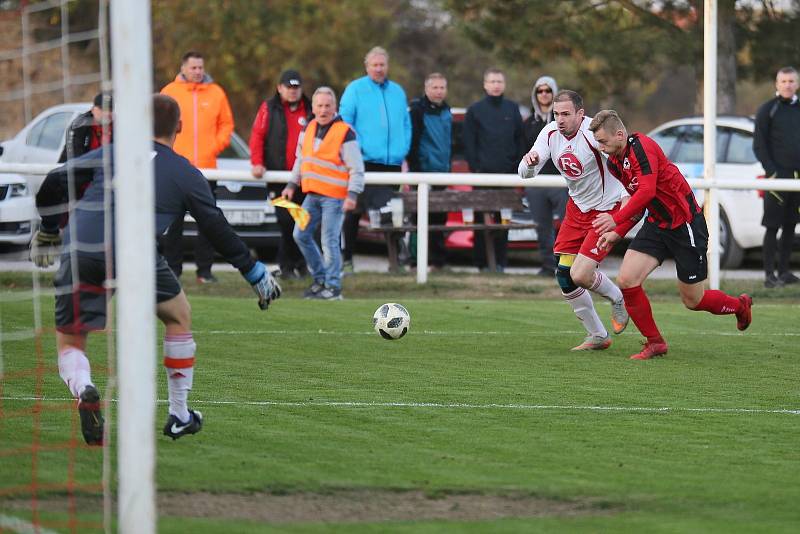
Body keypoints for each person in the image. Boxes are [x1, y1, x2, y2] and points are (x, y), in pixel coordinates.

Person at [30, 94, 280, 445]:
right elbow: (215, 226)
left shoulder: (113, 152)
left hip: (81, 248)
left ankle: (85, 387)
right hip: (134, 254)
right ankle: (179, 414)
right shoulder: (184, 171)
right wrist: (254, 272)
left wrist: (49, 228)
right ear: (179, 126)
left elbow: (57, 179)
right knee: (178, 314)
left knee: (71, 340)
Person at [590, 109, 752, 361]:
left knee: (693, 300)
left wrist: (615, 219)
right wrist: (618, 232)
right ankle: (655, 343)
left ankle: (739, 305)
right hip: (657, 224)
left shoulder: (642, 147)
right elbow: (637, 201)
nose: (600, 147)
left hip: (685, 225)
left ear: (620, 134)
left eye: (603, 141)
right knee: (627, 279)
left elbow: (646, 191)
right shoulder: (614, 163)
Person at [518, 90, 629, 352]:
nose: (560, 119)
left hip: (604, 211)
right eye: (557, 113)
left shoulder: (594, 135)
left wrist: (623, 208)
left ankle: (617, 298)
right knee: (565, 276)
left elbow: (623, 167)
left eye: (566, 114)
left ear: (581, 114)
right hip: (577, 210)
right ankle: (598, 336)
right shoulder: (549, 133)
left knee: (581, 274)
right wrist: (530, 163)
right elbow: (524, 173)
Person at [281, 87, 365, 300]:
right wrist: (292, 184)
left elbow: (356, 167)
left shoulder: (345, 132)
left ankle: (334, 287)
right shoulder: (309, 128)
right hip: (313, 194)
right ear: (313, 107)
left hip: (334, 197)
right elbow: (301, 159)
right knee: (300, 235)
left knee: (329, 241)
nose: (323, 109)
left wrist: (352, 195)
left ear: (335, 107)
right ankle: (321, 279)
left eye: (328, 105)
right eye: (319, 105)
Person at [160, 51, 235, 283]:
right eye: (193, 68)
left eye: (200, 67)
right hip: (174, 168)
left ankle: (205, 271)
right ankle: (173, 270)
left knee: (208, 222)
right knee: (173, 222)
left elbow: (226, 125)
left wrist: (213, 147)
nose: (198, 72)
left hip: (207, 168)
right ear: (183, 68)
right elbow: (158, 123)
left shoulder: (216, 93)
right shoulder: (169, 92)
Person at [339, 46, 411, 273]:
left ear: (387, 66)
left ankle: (396, 260)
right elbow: (344, 123)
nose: (379, 69)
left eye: (382, 65)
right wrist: (356, 150)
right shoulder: (355, 89)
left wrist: (403, 147)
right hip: (364, 162)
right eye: (375, 65)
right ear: (367, 66)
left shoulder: (398, 92)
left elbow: (405, 124)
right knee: (354, 211)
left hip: (392, 163)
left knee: (392, 210)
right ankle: (347, 258)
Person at [249, 69, 312, 279]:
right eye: (288, 87)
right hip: (278, 178)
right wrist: (257, 163)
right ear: (279, 88)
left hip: (304, 177)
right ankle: (289, 266)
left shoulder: (310, 108)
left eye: (296, 88)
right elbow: (257, 136)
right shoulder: (269, 108)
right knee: (285, 222)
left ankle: (298, 265)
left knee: (301, 221)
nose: (293, 92)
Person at [463, 68, 526, 272]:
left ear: (504, 84)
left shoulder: (512, 109)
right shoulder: (475, 110)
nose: (496, 85)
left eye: (499, 81)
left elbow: (520, 140)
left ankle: (500, 263)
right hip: (482, 176)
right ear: (485, 84)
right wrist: (477, 169)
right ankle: (481, 263)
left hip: (506, 176)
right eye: (492, 81)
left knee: (503, 221)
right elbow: (469, 144)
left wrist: (515, 167)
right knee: (482, 220)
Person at [752, 66, 800, 288]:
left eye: (791, 81)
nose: (788, 85)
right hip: (776, 179)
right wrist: (772, 172)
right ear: (777, 84)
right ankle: (769, 275)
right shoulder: (767, 110)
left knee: (791, 225)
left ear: (796, 84)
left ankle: (784, 272)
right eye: (783, 81)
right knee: (773, 226)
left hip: (797, 180)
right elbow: (759, 145)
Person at [523, 76, 568, 277]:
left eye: (548, 90)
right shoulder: (528, 122)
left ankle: (569, 266)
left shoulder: (563, 122)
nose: (544, 94)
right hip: (537, 182)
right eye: (540, 91)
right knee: (542, 227)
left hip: (562, 181)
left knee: (568, 225)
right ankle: (549, 266)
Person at [407, 72, 451, 270]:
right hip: (423, 173)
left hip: (443, 172)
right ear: (426, 88)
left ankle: (438, 262)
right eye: (435, 87)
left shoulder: (447, 111)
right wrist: (416, 171)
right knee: (418, 219)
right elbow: (413, 143)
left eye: (442, 87)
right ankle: (415, 262)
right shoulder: (417, 110)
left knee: (439, 219)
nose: (439, 91)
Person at [58, 92, 113, 162]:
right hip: (73, 169)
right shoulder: (80, 125)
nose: (107, 113)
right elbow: (76, 158)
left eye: (110, 109)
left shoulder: (119, 127)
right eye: (102, 109)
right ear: (93, 110)